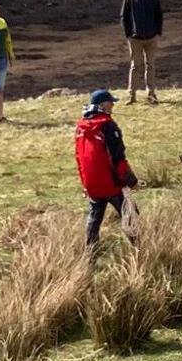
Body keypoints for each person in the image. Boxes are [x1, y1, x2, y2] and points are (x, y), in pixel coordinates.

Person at [73, 89, 140, 245]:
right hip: (112, 184)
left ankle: (90, 255)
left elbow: (79, 158)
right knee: (131, 215)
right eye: (111, 103)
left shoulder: (81, 128)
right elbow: (118, 159)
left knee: (94, 219)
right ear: (103, 105)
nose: (113, 106)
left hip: (92, 185)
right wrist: (132, 181)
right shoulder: (109, 127)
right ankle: (139, 250)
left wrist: (85, 185)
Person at [120, 0, 163, 104]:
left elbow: (159, 15)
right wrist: (128, 34)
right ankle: (131, 95)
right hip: (135, 38)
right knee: (135, 66)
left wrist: (157, 32)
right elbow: (124, 16)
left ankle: (151, 94)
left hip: (151, 38)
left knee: (150, 65)